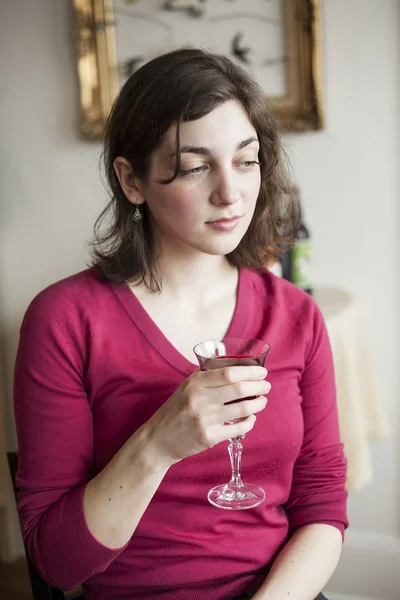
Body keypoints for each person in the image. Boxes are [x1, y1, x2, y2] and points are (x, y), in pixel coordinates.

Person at [13, 48, 348, 600]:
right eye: (195, 166)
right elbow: (57, 562)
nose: (230, 192)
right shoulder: (65, 320)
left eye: (246, 160)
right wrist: (158, 445)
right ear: (131, 180)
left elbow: (322, 507)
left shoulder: (296, 315)